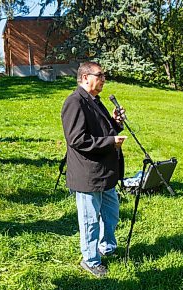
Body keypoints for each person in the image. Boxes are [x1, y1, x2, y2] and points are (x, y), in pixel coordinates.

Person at [61, 61, 127, 278]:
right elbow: (76, 139)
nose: (103, 80)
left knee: (111, 213)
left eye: (104, 76)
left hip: (105, 172)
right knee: (89, 220)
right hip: (88, 173)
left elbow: (103, 130)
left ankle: (106, 247)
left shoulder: (94, 100)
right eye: (100, 75)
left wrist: (115, 123)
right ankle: (90, 260)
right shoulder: (74, 102)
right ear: (85, 77)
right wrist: (110, 142)